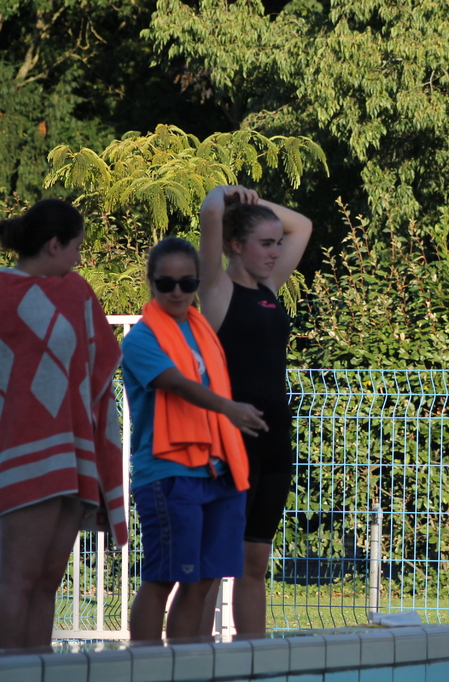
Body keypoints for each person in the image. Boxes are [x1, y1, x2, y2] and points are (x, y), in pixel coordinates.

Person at [121, 237, 268, 641]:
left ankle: (186, 663)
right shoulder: (140, 339)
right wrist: (229, 408)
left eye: (187, 283)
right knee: (163, 578)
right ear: (151, 283)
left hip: (217, 470)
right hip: (168, 473)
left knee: (203, 581)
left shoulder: (203, 329)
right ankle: (145, 664)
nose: (177, 292)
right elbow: (177, 384)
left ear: (198, 283)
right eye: (165, 283)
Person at [0, 199, 127, 650]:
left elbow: (98, 366)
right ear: (54, 244)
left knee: (47, 580)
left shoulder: (77, 293)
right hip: (18, 451)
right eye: (76, 247)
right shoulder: (3, 293)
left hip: (73, 453)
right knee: (17, 577)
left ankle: (37, 669)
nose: (78, 257)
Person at [197, 185, 312, 635]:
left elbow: (302, 225)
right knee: (211, 563)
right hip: (230, 438)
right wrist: (227, 194)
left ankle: (252, 659)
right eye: (266, 243)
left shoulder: (268, 286)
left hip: (274, 438)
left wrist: (257, 203)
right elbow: (210, 211)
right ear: (235, 245)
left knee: (255, 561)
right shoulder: (217, 289)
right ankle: (192, 657)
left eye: (276, 244)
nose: (275, 252)